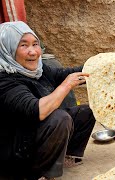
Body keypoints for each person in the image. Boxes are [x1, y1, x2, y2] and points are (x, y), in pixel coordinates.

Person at [0, 21, 96, 179]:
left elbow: (66, 74)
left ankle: (67, 156)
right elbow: (38, 110)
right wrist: (66, 85)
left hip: (33, 133)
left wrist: (100, 67)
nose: (33, 52)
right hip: (16, 152)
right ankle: (40, 173)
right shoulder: (5, 81)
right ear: (8, 49)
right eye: (23, 45)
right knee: (59, 118)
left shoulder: (37, 70)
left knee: (86, 111)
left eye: (35, 44)